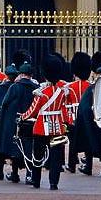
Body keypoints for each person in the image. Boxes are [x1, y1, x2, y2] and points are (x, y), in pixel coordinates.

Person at [19, 55, 70, 190]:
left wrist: (22, 117)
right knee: (56, 157)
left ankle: (36, 181)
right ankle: (54, 183)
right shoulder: (62, 92)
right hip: (57, 127)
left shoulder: (41, 92)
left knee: (38, 156)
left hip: (42, 127)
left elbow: (33, 110)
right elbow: (63, 109)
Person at [0, 56, 39, 184]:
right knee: (28, 147)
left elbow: (5, 103)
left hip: (16, 120)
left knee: (16, 147)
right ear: (31, 75)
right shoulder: (35, 87)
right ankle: (29, 174)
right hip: (30, 120)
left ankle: (15, 174)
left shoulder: (15, 87)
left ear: (21, 74)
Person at [73, 51, 101, 175]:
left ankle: (89, 166)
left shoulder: (91, 88)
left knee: (89, 141)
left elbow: (84, 108)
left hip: (93, 121)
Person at [65, 52, 91, 173]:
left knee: (72, 142)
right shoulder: (91, 86)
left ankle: (72, 165)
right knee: (88, 140)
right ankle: (88, 166)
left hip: (73, 116)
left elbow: (67, 103)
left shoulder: (69, 86)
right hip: (87, 116)